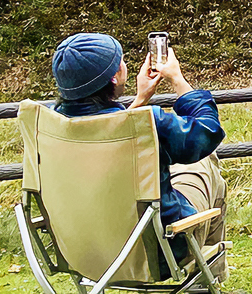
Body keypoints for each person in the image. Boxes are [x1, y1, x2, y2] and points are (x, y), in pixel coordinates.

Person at [50, 33, 227, 281]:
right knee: (205, 163)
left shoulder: (51, 127)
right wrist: (178, 80)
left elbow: (103, 129)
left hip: (85, 254)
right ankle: (207, 279)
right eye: (120, 61)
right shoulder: (151, 121)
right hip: (159, 256)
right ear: (114, 77)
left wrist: (140, 99)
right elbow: (206, 134)